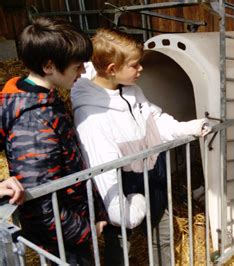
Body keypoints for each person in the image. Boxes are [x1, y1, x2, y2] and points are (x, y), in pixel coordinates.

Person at [71, 28, 209, 266]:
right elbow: (102, 168)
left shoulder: (133, 92)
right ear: (112, 69)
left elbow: (155, 120)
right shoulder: (91, 114)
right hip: (120, 191)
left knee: (163, 236)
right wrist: (122, 212)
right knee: (120, 247)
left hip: (152, 179)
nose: (141, 69)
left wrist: (185, 128)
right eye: (135, 65)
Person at [0, 17, 107, 265]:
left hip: (69, 226)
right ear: (49, 66)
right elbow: (41, 203)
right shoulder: (33, 123)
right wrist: (85, 230)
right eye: (77, 66)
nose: (82, 72)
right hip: (60, 239)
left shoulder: (41, 97)